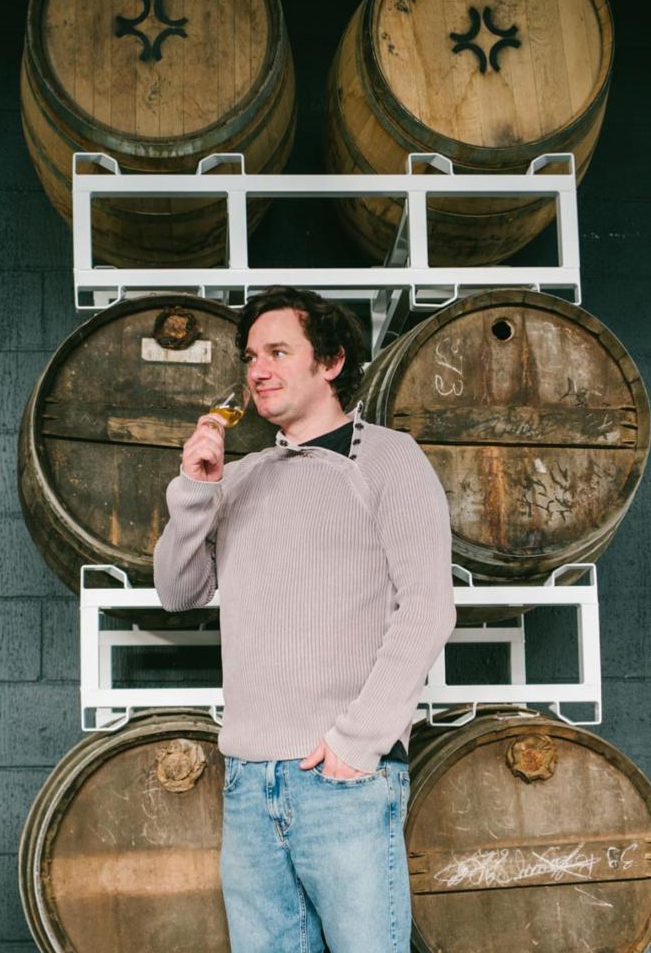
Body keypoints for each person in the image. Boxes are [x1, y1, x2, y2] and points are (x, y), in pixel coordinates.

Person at [154, 286, 455, 953]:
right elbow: (177, 590)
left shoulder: (387, 458)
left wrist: (358, 740)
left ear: (332, 361)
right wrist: (198, 489)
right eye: (252, 355)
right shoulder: (242, 476)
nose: (258, 368)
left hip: (340, 777)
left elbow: (429, 606)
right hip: (248, 776)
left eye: (279, 351)